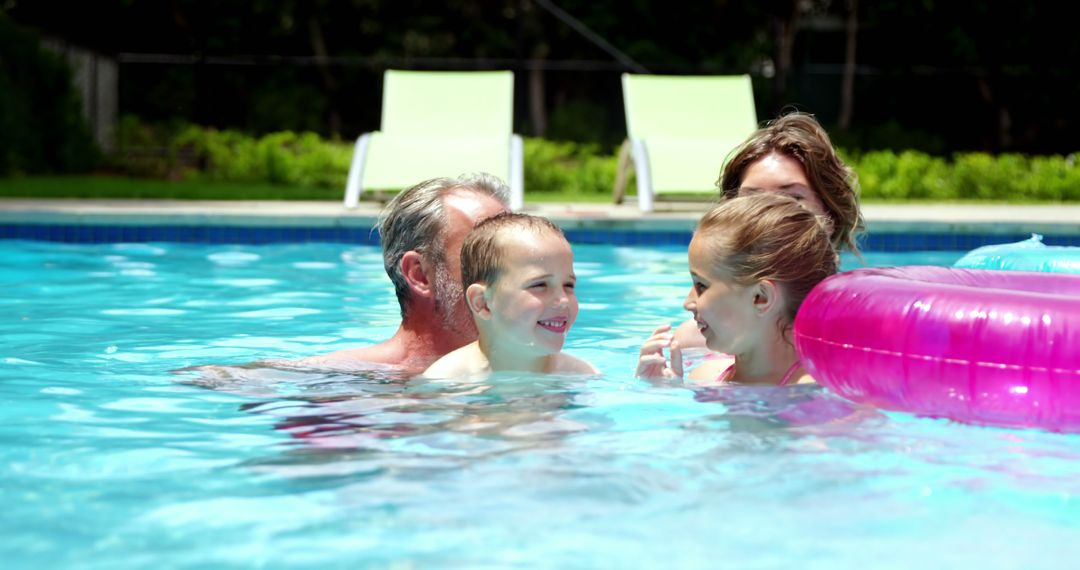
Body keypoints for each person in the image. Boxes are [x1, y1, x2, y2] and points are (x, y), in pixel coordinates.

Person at [671, 111, 865, 350]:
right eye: (751, 200)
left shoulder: (860, 336)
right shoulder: (694, 342)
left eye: (792, 198)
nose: (769, 214)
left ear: (831, 215)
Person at [298, 173, 510, 376]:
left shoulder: (536, 367)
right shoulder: (329, 380)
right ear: (420, 275)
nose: (521, 274)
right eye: (489, 253)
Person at [636, 193, 838, 385]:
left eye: (701, 286)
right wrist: (661, 391)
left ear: (760, 297)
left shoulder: (812, 392)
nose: (687, 303)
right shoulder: (705, 377)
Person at [423, 212, 598, 377]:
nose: (563, 300)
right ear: (482, 302)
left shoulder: (580, 375)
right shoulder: (446, 381)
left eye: (568, 285)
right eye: (540, 285)